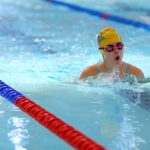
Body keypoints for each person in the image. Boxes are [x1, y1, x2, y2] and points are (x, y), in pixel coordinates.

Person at [80, 27, 144, 79]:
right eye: (110, 47)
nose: (116, 50)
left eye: (119, 45)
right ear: (101, 51)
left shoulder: (136, 74)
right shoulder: (89, 74)